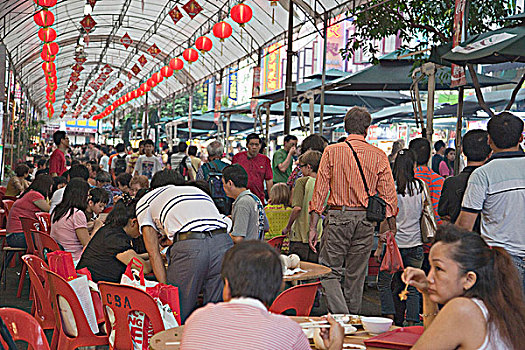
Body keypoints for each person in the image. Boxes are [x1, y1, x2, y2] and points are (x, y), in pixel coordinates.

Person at [309, 106, 398, 314]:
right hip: (366, 220)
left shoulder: (331, 151)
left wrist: (313, 227)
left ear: (345, 127)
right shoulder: (378, 155)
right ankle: (352, 323)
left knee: (329, 271)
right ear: (367, 129)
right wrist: (390, 228)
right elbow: (389, 198)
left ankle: (342, 317)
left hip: (338, 215)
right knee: (356, 275)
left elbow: (320, 193)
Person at [180, 240, 344, 350]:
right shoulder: (289, 332)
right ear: (277, 288)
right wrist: (335, 345)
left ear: (227, 284)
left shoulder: (197, 319)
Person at [403, 225, 525, 349]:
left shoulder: (463, 309)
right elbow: (437, 338)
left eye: (439, 268)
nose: (429, 278)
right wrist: (426, 292)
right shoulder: (494, 308)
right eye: (431, 268)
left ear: (469, 279)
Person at [136, 169, 233, 322]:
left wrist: (165, 292)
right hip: (223, 243)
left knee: (177, 313)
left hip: (191, 248)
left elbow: (153, 252)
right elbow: (216, 223)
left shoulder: (146, 200)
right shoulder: (195, 191)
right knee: (215, 312)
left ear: (152, 188)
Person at [457, 112, 525, 289]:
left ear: (489, 140)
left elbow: (465, 224)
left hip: (501, 262)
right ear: (521, 137)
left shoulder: (482, 174)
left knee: (504, 315)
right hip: (504, 261)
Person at [376, 149, 425, 327]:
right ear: (413, 166)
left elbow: (386, 219)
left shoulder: (391, 189)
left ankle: (389, 317)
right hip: (416, 243)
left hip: (394, 246)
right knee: (412, 286)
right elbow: (423, 213)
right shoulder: (420, 187)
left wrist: (379, 246)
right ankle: (412, 321)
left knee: (384, 283)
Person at [77, 198, 151, 283]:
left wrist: (152, 255)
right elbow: (145, 268)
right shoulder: (116, 239)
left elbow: (132, 256)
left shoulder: (110, 230)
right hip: (95, 288)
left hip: (88, 282)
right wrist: (157, 259)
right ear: (133, 222)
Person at [438, 130, 491, 229]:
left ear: (463, 152)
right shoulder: (493, 182)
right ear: (490, 154)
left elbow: (443, 214)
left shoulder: (451, 183)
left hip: (460, 240)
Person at [282, 150, 324, 263]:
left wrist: (287, 227)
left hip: (299, 236)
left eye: (301, 166)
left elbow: (297, 208)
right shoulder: (324, 183)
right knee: (313, 271)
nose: (300, 170)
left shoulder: (301, 182)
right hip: (317, 235)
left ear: (309, 167)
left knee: (297, 270)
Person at [222, 164, 268, 243]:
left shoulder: (242, 203)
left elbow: (238, 238)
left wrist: (222, 234)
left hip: (246, 252)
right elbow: (266, 227)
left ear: (230, 183)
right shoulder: (255, 198)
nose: (223, 187)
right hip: (257, 249)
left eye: (223, 183)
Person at [5, 174, 53, 249]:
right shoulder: (35, 195)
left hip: (13, 235)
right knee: (47, 241)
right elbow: (48, 210)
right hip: (17, 236)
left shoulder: (29, 193)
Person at [50, 178, 91, 263]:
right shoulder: (77, 213)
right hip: (74, 260)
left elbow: (70, 230)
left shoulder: (58, 210)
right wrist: (97, 228)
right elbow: (88, 245)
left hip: (57, 258)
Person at [408, 138, 444, 225]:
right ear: (429, 156)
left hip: (409, 233)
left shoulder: (405, 181)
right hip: (434, 232)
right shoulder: (440, 181)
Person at [232, 133, 273, 204]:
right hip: (240, 198)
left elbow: (269, 180)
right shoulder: (237, 158)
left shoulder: (265, 160)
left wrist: (271, 198)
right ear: (247, 145)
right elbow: (232, 177)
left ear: (260, 146)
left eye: (256, 145)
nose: (254, 147)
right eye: (251, 144)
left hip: (258, 199)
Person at [196, 140, 232, 215]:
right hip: (227, 206)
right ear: (222, 153)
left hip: (208, 206)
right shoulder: (229, 167)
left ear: (209, 153)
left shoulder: (203, 168)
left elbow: (198, 188)